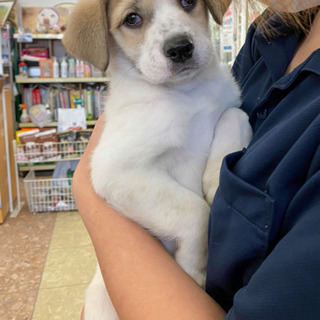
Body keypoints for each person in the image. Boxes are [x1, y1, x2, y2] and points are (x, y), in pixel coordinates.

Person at [73, 0, 320, 319]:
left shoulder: (224, 90)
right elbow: (109, 176)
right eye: (133, 19)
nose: (176, 36)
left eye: (187, 2)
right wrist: (193, 223)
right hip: (122, 298)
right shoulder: (270, 35)